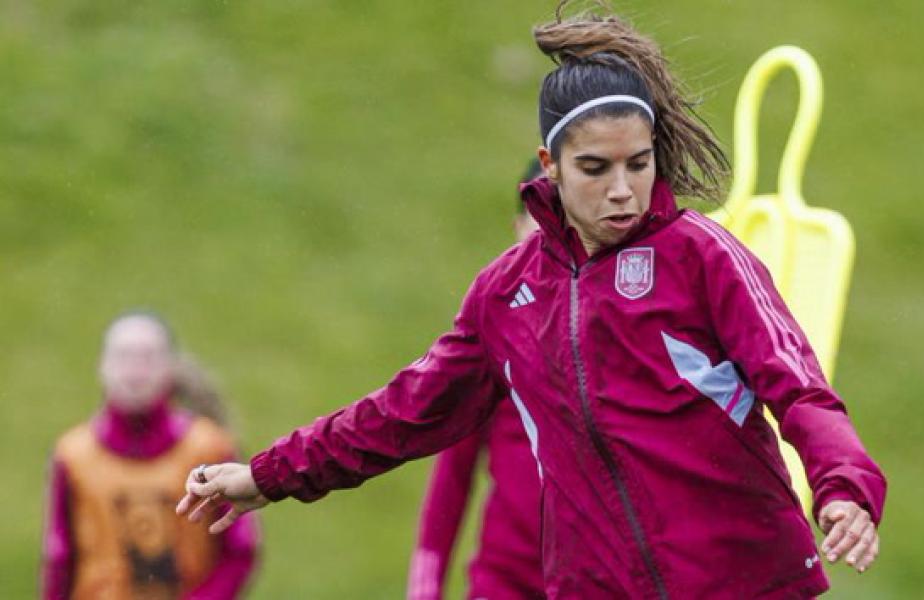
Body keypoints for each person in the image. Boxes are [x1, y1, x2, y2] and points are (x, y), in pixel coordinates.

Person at [178, 8, 886, 598]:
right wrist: (268, 476)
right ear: (549, 167)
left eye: (639, 164)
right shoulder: (505, 295)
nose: (622, 190)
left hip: (745, 584)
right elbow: (401, 412)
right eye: (595, 168)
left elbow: (801, 389)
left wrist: (843, 484)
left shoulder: (704, 254)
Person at [42, 311, 259, 599]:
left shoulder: (209, 446)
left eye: (148, 357)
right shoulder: (73, 454)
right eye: (124, 356)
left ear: (171, 368)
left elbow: (239, 551)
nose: (135, 370)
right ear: (102, 366)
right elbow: (60, 556)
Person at [406, 160, 545, 600]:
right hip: (504, 584)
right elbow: (452, 475)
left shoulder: (617, 337)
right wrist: (425, 587)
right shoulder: (495, 336)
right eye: (536, 220)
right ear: (516, 227)